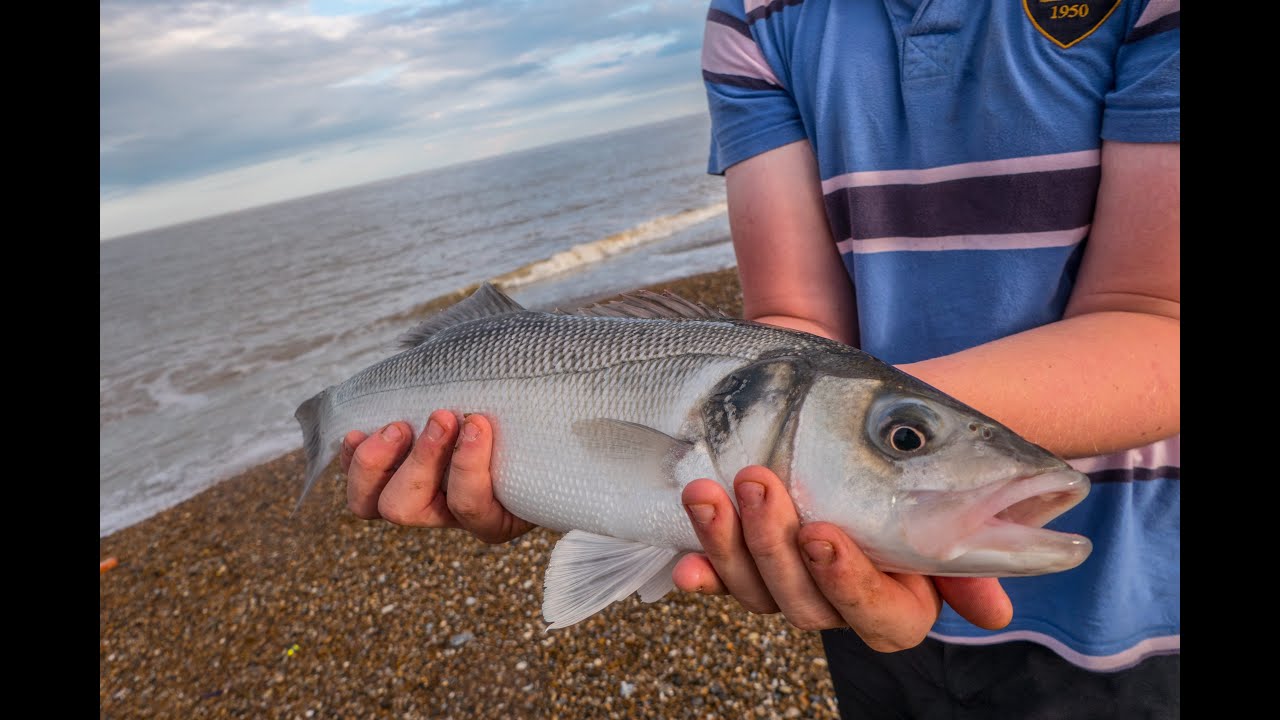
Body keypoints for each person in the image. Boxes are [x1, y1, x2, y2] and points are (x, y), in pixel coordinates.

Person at [341, 1, 1179, 716]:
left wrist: (830, 460)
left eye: (904, 441)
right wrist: (570, 473)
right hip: (848, 584)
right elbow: (792, 323)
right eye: (907, 440)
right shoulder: (754, 13)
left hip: (1139, 605)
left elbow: (1158, 317)